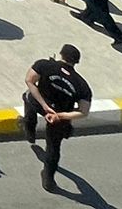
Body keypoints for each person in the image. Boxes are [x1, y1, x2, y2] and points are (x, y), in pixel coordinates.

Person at [23, 44, 93, 192]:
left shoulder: (44, 65)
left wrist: (44, 105)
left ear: (61, 55)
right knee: (53, 148)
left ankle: (29, 129)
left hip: (41, 104)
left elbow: (29, 80)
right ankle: (48, 180)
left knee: (27, 96)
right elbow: (83, 112)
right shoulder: (82, 85)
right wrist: (59, 115)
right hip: (59, 117)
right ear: (76, 62)